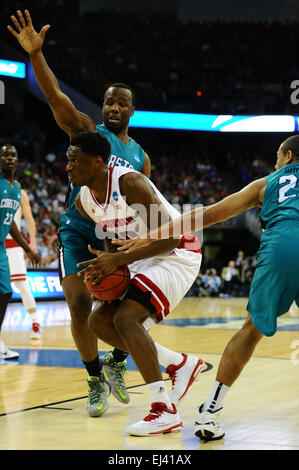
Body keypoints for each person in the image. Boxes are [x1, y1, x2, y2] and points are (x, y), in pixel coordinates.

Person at [7, 10, 202, 418]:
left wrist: (129, 250)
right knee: (80, 305)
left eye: (121, 103)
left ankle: (121, 362)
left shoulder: (141, 159)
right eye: (108, 101)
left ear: (132, 110)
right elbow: (58, 100)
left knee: (124, 307)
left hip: (120, 232)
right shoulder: (90, 135)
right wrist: (37, 56)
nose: (113, 106)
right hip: (81, 227)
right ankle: (95, 376)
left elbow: (148, 217)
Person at [112, 134, 299, 440]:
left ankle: (209, 413)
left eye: (278, 157)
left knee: (251, 330)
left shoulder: (267, 183)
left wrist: (151, 235)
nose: (275, 162)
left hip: (282, 246)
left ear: (288, 156)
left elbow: (208, 215)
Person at [67, 131, 203, 436]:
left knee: (126, 319)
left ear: (97, 161)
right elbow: (115, 244)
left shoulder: (130, 183)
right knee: (98, 322)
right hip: (141, 255)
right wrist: (103, 267)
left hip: (179, 251)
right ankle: (178, 363)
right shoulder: (83, 202)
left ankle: (163, 409)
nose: (68, 167)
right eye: (67, 160)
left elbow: (169, 239)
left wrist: (116, 262)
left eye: (74, 160)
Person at [0, 145, 41, 360]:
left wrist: (29, 246)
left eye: (12, 155)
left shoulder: (17, 189)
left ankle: (34, 322)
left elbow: (20, 222)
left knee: (11, 289)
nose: (9, 159)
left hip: (8, 245)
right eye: (4, 155)